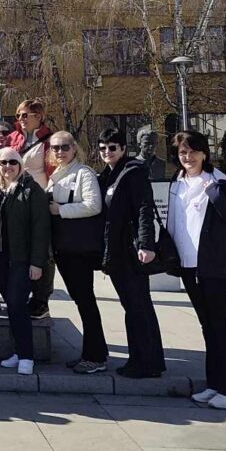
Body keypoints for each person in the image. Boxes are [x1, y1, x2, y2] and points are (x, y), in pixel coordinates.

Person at [167, 128, 226, 409]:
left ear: (204, 153)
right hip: (188, 265)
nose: (187, 157)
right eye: (182, 152)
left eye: (192, 151)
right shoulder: (176, 182)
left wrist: (214, 193)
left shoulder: (219, 182)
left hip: (213, 265)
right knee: (207, 326)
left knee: (221, 325)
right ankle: (215, 383)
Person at [96, 128, 166, 379]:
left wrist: (146, 245)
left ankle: (146, 362)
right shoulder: (109, 175)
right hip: (117, 251)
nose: (107, 152)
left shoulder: (132, 173)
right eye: (103, 148)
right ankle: (144, 358)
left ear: (123, 149)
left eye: (112, 148)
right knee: (133, 305)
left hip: (131, 251)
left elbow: (144, 210)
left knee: (138, 305)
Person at [46, 131, 108, 373]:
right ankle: (91, 352)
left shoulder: (83, 172)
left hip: (79, 249)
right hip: (65, 249)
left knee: (86, 301)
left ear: (74, 148)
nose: (59, 151)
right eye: (55, 148)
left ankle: (96, 357)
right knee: (81, 301)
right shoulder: (56, 175)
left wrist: (60, 210)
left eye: (64, 147)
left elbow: (94, 205)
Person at [0, 147, 51, 375]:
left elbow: (41, 229)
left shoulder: (32, 190)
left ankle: (26, 355)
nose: (8, 167)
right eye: (3, 163)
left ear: (20, 164)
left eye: (12, 162)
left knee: (17, 305)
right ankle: (18, 351)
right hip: (0, 260)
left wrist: (37, 262)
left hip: (21, 260)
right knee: (11, 307)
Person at [8, 99, 55, 319]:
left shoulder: (50, 140)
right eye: (18, 115)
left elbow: (55, 170)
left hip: (40, 199)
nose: (21, 120)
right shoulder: (14, 138)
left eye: (26, 115)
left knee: (43, 251)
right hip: (16, 200)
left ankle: (41, 299)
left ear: (39, 115)